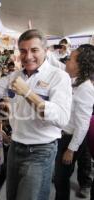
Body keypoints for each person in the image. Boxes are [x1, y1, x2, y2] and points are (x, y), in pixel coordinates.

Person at [0, 29, 72, 200]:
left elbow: (62, 118)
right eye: (23, 51)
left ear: (46, 51)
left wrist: (28, 93)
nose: (28, 56)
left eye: (34, 50)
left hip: (40, 151)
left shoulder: (59, 77)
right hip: (15, 147)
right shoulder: (16, 75)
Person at [54, 44, 94, 200]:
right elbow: (57, 64)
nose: (67, 62)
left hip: (70, 140)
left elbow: (83, 123)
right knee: (59, 177)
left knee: (61, 179)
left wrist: (71, 149)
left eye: (70, 59)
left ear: (80, 65)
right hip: (62, 136)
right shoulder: (72, 79)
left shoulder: (86, 88)